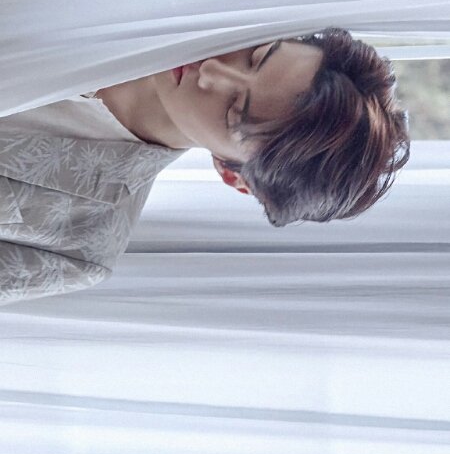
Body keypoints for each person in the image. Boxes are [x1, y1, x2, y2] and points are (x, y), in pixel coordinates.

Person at [0, 27, 410, 304]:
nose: (212, 70)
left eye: (233, 110)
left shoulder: (77, 246)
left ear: (232, 175)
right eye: (256, 56)